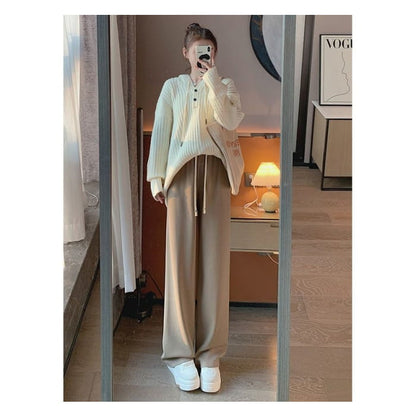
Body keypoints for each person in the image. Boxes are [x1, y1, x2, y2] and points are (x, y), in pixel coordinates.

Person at [147, 23, 244, 393]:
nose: (203, 55)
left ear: (214, 54)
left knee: (216, 266)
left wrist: (212, 79)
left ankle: (211, 355)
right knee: (179, 265)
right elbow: (161, 132)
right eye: (197, 50)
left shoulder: (226, 85)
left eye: (209, 50)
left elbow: (230, 120)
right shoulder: (172, 87)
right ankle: (179, 355)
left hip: (216, 175)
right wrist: (157, 179)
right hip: (181, 177)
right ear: (185, 52)